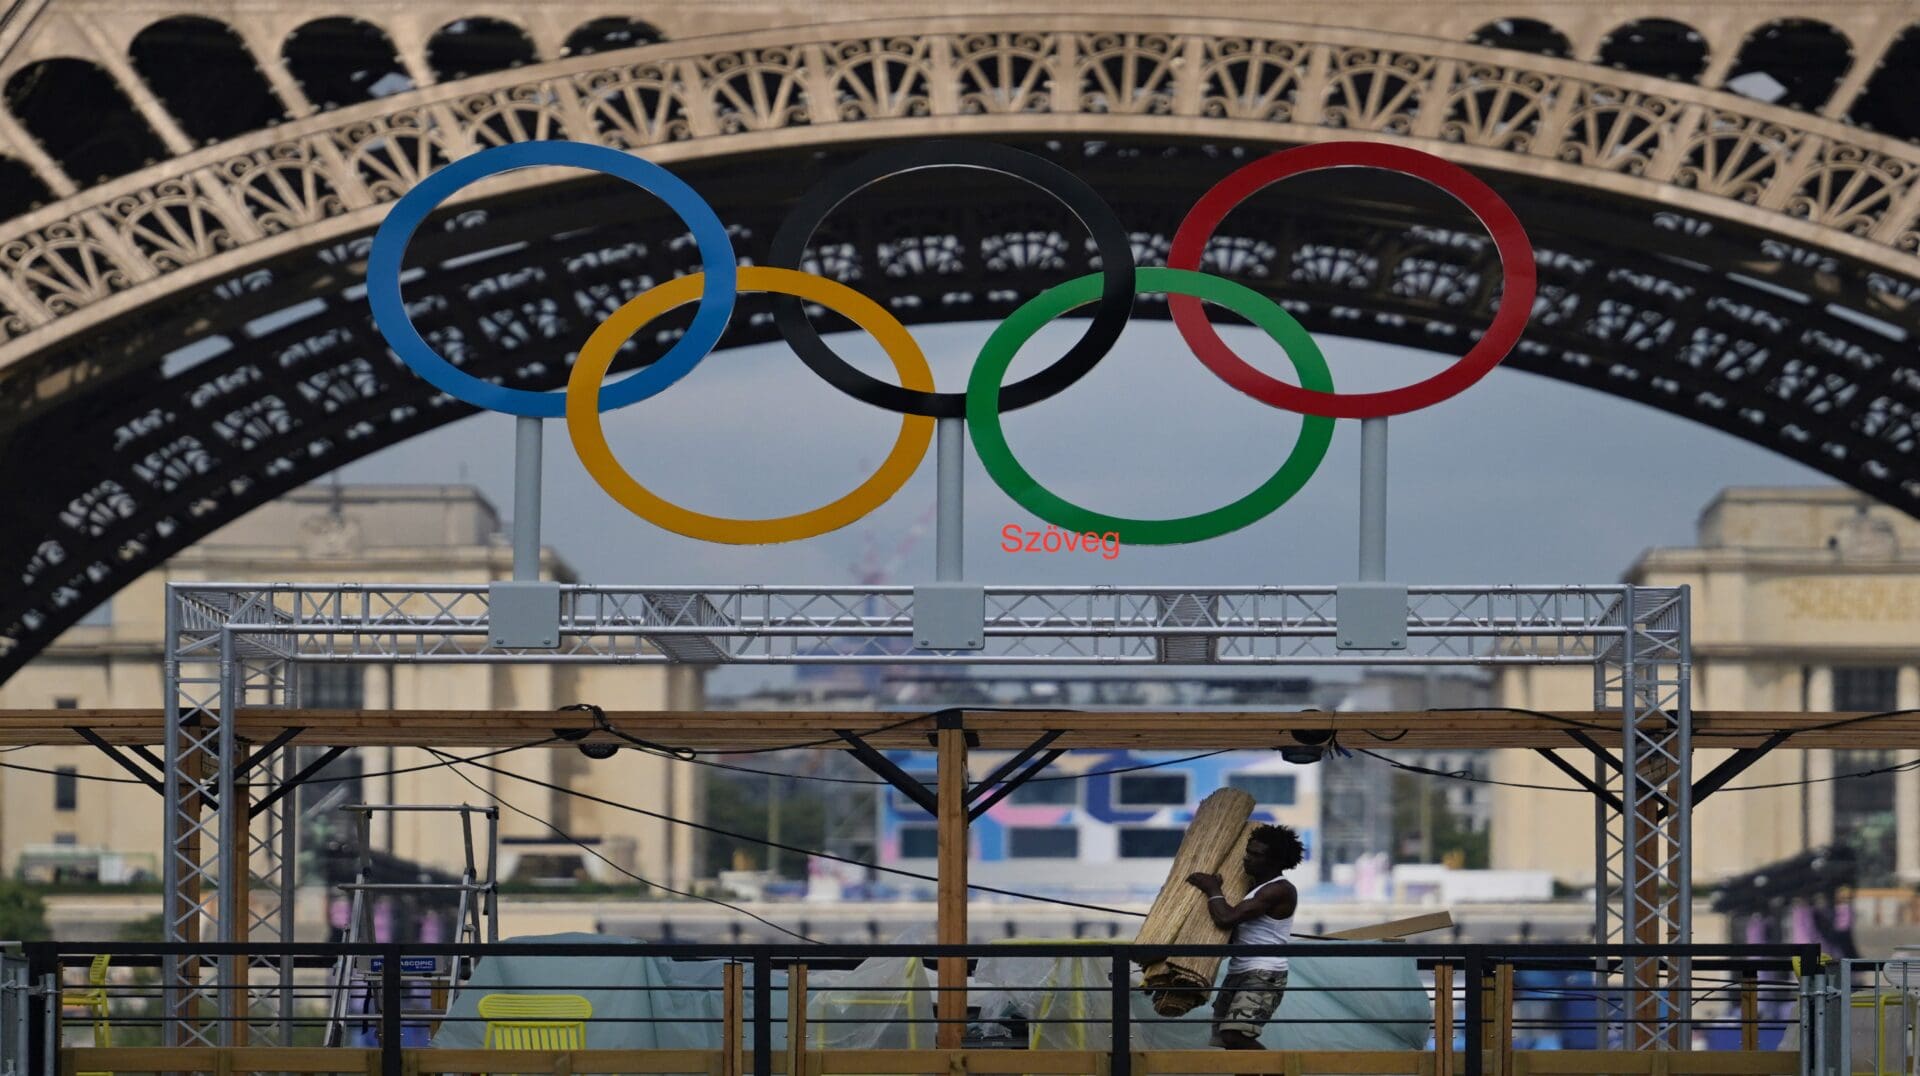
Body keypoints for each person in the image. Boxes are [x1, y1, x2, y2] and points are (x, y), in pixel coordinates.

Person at [1186, 823, 1304, 1050]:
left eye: (1256, 855)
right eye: (1248, 852)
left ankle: (1280, 1071)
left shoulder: (1279, 889)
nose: (1247, 858)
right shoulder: (1251, 887)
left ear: (1275, 861)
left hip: (1263, 973)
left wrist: (1212, 888)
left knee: (1235, 1036)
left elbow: (1226, 919)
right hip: (1238, 971)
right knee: (1228, 1043)